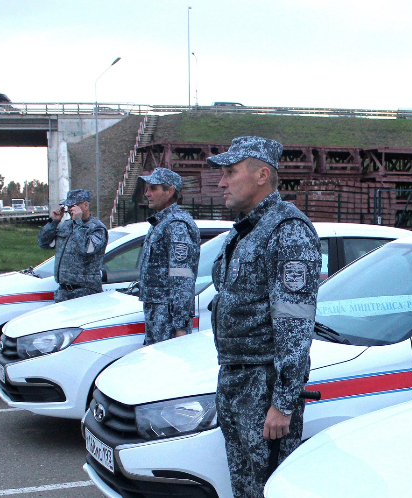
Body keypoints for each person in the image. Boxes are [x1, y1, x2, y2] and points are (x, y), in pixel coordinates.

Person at [207, 136, 320, 498]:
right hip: (236, 379)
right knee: (244, 487)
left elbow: (295, 323)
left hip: (264, 386)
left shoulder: (287, 231)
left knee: (269, 488)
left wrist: (283, 403)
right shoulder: (243, 231)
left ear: (261, 175)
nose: (221, 182)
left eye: (230, 172)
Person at [136, 167, 199, 345]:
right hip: (156, 312)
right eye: (147, 188)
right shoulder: (160, 223)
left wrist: (180, 326)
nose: (147, 193)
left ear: (170, 191)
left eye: (153, 188)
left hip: (168, 316)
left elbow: (182, 277)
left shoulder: (176, 225)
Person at [37, 189, 108, 303]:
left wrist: (78, 223)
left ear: (85, 205)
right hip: (63, 292)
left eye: (73, 206)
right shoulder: (66, 225)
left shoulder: (97, 228)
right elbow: (43, 243)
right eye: (68, 206)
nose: (70, 209)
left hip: (85, 293)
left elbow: (86, 249)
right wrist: (53, 222)